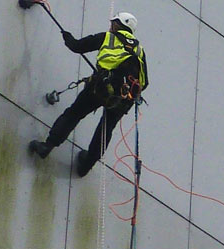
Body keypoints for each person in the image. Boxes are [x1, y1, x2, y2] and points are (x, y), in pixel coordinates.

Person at [28, 11, 149, 177]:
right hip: (124, 99)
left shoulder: (108, 37)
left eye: (113, 22)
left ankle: (47, 146)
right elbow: (145, 82)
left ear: (118, 25)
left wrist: (67, 36)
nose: (110, 25)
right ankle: (85, 166)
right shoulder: (139, 50)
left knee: (74, 114)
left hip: (100, 88)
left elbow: (77, 46)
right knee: (105, 130)